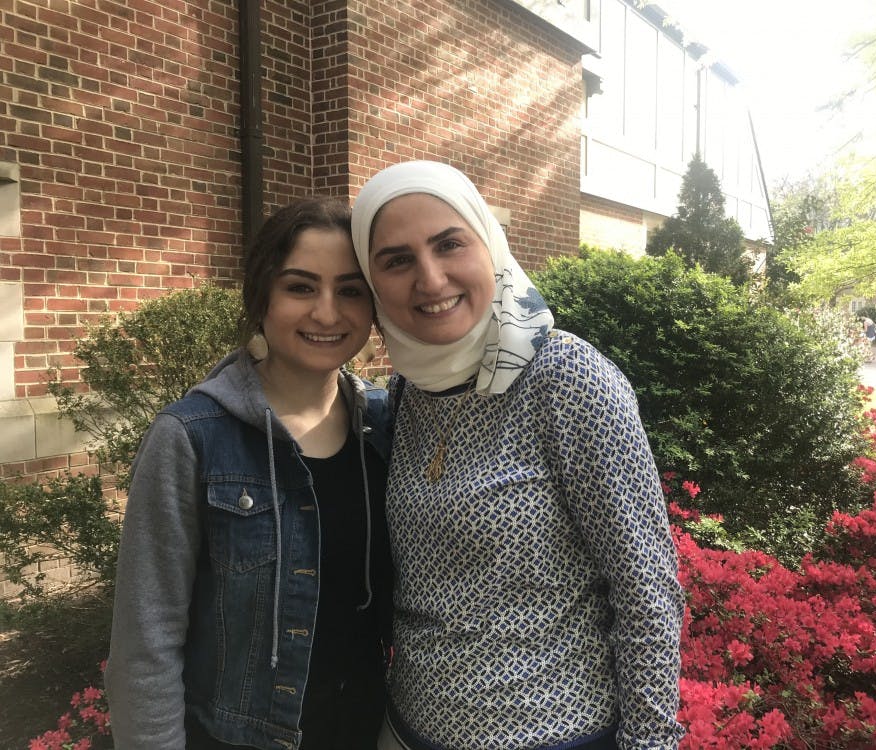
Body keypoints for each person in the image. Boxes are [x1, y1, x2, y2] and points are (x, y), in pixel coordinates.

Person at [351, 161, 685, 750]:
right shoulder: (408, 391)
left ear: (490, 243)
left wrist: (650, 743)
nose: (429, 279)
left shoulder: (567, 378)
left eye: (449, 244)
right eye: (397, 259)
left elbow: (645, 585)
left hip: (553, 733)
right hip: (407, 730)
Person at [105, 197, 393, 750]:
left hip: (368, 729)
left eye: (351, 290)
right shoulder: (191, 437)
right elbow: (147, 641)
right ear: (262, 296)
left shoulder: (382, 429)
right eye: (300, 287)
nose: (327, 313)